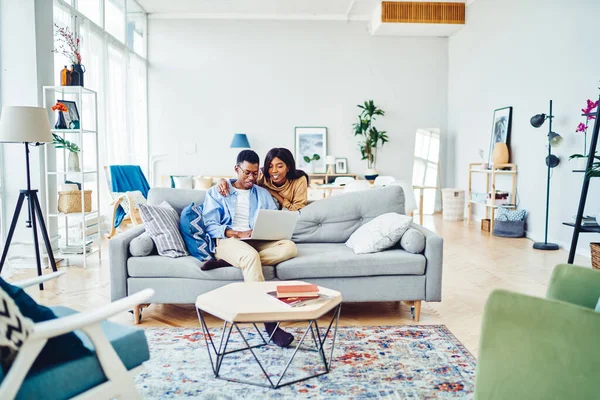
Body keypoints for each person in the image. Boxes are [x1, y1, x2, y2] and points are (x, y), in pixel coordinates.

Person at [202, 149, 298, 347]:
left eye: (255, 173)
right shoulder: (217, 192)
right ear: (236, 169)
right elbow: (210, 225)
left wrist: (264, 231)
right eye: (247, 172)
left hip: (256, 241)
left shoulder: (262, 194)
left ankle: (230, 262)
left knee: (289, 248)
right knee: (250, 257)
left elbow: (274, 219)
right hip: (229, 241)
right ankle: (271, 326)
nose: (251, 178)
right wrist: (236, 233)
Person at [217, 147, 309, 211]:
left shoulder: (299, 180)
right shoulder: (261, 175)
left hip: (289, 215)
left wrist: (275, 194)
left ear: (288, 167)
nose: (274, 171)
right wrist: (222, 181)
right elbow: (243, 181)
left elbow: (298, 211)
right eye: (270, 166)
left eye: (279, 166)